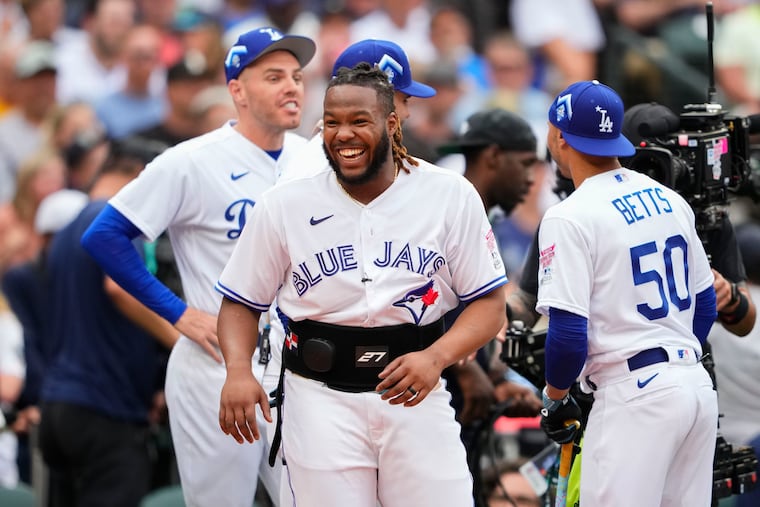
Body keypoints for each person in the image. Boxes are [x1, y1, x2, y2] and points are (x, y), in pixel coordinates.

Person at [215, 63, 507, 507]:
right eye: (332, 122)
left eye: (358, 121)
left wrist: (437, 357)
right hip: (319, 397)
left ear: (391, 123)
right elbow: (241, 303)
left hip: (415, 393)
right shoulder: (286, 203)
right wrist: (238, 369)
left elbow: (489, 305)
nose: (343, 134)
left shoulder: (449, 194)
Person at [81, 27, 316, 507]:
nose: (292, 86)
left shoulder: (313, 160)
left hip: (294, 365)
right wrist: (177, 312)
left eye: (296, 76)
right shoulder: (191, 161)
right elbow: (104, 236)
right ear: (237, 90)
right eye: (273, 76)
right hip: (215, 363)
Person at [537, 80, 718, 506]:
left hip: (634, 398)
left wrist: (555, 397)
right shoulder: (669, 199)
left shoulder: (569, 216)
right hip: (693, 387)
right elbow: (705, 305)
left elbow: (567, 335)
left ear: (560, 136)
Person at [38, 144, 178, 507]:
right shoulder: (113, 220)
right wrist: (180, 335)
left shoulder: (71, 226)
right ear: (142, 177)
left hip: (61, 405)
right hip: (103, 409)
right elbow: (118, 288)